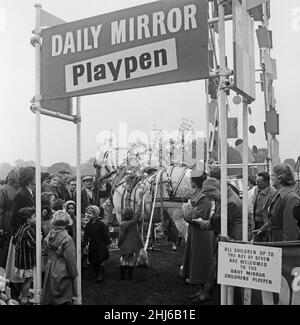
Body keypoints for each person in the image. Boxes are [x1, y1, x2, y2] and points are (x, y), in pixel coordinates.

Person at [192, 178, 243, 303]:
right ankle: (207, 292)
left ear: (215, 189)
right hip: (226, 237)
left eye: (211, 195)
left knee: (221, 267)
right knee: (215, 264)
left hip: (232, 240)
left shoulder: (230, 202)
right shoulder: (225, 196)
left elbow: (219, 224)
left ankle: (214, 295)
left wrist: (201, 223)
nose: (211, 199)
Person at [181, 170, 215, 303]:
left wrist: (187, 214)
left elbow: (199, 215)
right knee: (198, 259)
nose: (189, 181)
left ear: (196, 181)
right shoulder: (198, 193)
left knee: (202, 261)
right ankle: (202, 290)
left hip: (202, 233)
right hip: (196, 231)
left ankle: (205, 292)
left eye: (191, 179)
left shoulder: (203, 196)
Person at [41, 210, 78, 305]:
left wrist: (47, 263)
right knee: (63, 297)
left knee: (50, 295)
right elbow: (70, 259)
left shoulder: (48, 237)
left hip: (50, 266)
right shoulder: (67, 239)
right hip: (63, 268)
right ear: (67, 222)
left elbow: (44, 252)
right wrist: (74, 274)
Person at [261, 164, 300, 242]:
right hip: (276, 244)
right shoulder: (278, 195)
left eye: (272, 175)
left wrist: (285, 250)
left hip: (282, 247)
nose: (271, 178)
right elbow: (275, 220)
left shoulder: (291, 198)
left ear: (280, 178)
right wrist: (264, 229)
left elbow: (290, 232)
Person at [12, 207, 36, 305]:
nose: (36, 218)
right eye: (34, 216)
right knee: (29, 279)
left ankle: (22, 295)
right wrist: (40, 238)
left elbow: (15, 240)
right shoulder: (28, 230)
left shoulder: (21, 227)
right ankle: (24, 300)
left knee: (25, 279)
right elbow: (32, 244)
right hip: (26, 260)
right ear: (28, 219)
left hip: (20, 259)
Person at [83, 206, 111, 283]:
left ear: (95, 214)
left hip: (101, 244)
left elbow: (106, 234)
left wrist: (108, 243)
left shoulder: (101, 224)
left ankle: (100, 275)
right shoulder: (88, 225)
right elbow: (86, 236)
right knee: (93, 259)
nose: (87, 215)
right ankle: (96, 272)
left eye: (90, 213)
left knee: (101, 259)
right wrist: (85, 244)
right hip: (93, 244)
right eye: (87, 213)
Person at [0, 169, 19, 274]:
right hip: (10, 219)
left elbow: (1, 209)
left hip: (9, 220)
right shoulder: (4, 189)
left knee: (7, 245)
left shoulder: (4, 189)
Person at [118, 207, 143, 280]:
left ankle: (123, 276)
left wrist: (119, 243)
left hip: (125, 245)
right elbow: (138, 215)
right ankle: (130, 276)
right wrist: (139, 206)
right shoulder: (134, 221)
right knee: (131, 260)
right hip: (133, 245)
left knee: (124, 260)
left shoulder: (122, 224)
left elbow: (121, 236)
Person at [251, 172, 276, 242]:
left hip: (266, 224)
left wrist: (266, 226)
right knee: (256, 244)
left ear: (266, 182)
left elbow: (272, 213)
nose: (257, 184)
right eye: (256, 181)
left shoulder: (273, 193)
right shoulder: (256, 190)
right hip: (256, 223)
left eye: (259, 182)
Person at [11, 167, 35, 234]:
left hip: (30, 229)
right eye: (35, 176)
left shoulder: (31, 192)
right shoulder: (21, 194)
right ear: (30, 178)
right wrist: (18, 233)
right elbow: (15, 216)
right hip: (24, 231)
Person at [247, 175, 257, 240]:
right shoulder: (257, 190)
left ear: (249, 182)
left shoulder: (250, 192)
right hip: (256, 216)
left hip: (251, 216)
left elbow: (249, 207)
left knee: (252, 232)